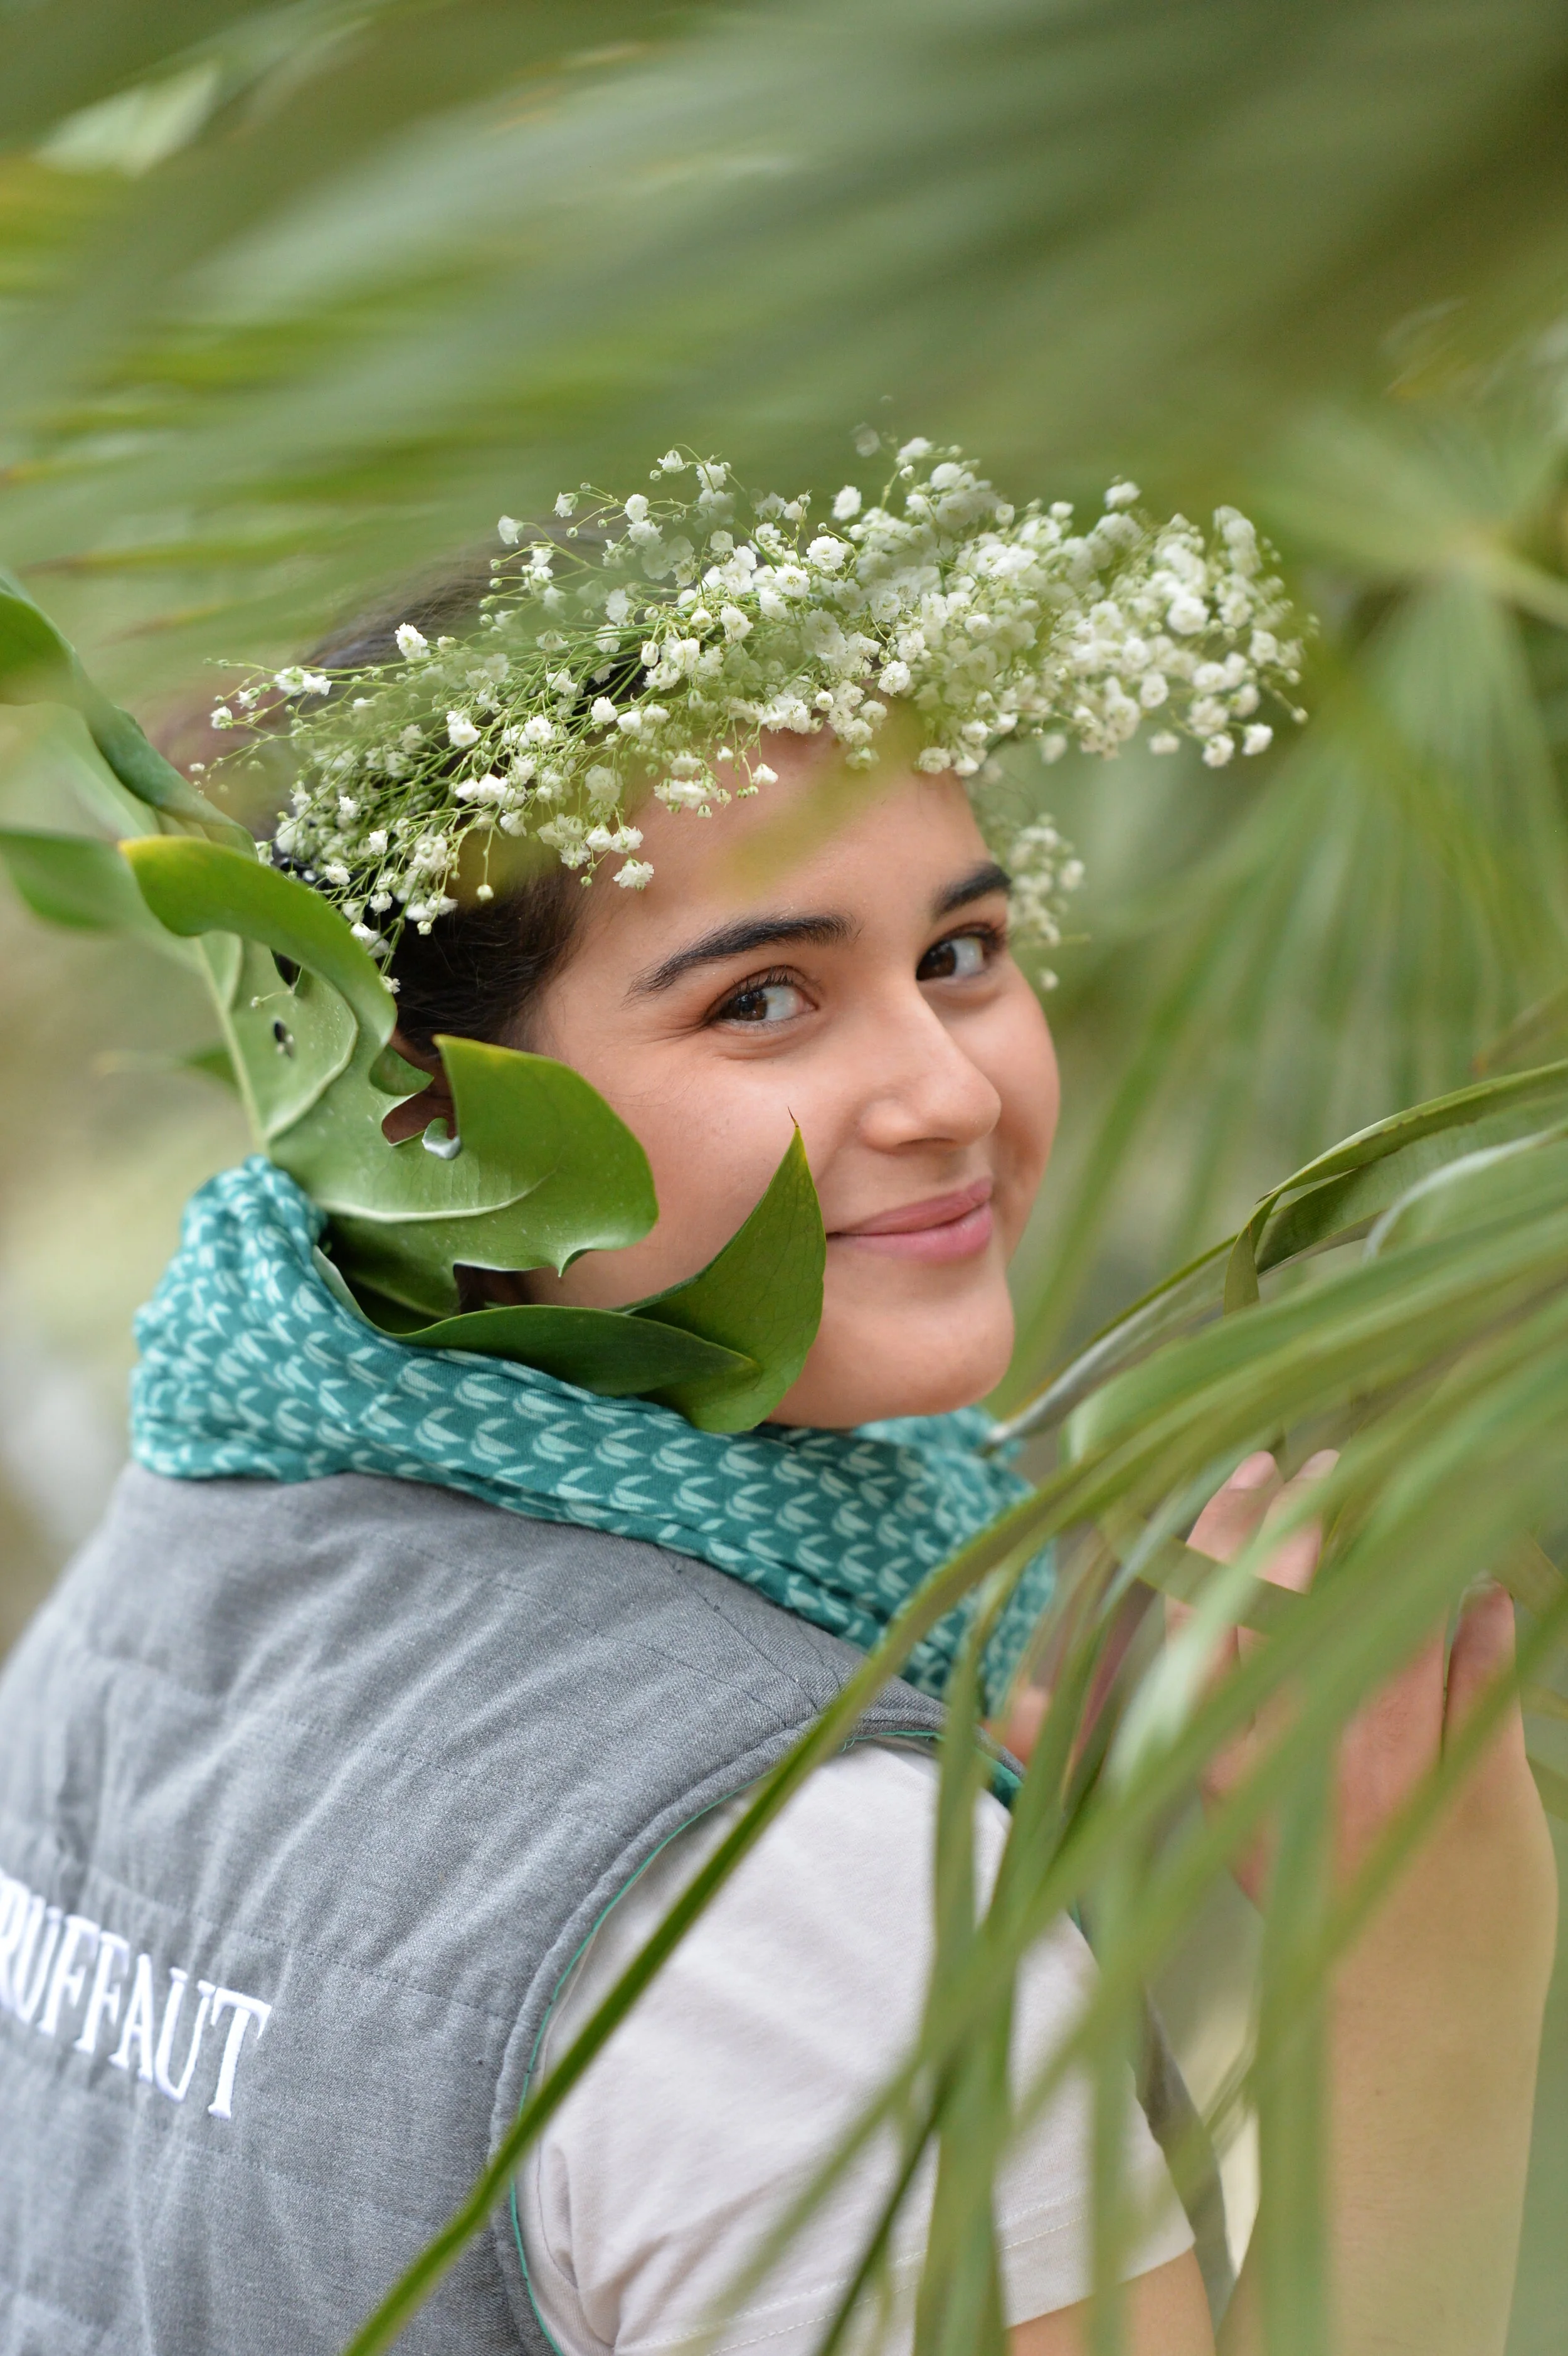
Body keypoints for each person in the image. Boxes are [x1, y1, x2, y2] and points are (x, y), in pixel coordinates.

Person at [0, 444, 1552, 2356]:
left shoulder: (184, 1553)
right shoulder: (801, 1896)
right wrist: (1426, 1955)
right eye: (762, 999)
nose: (949, 1089)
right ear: (425, 1105)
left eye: (959, 953)